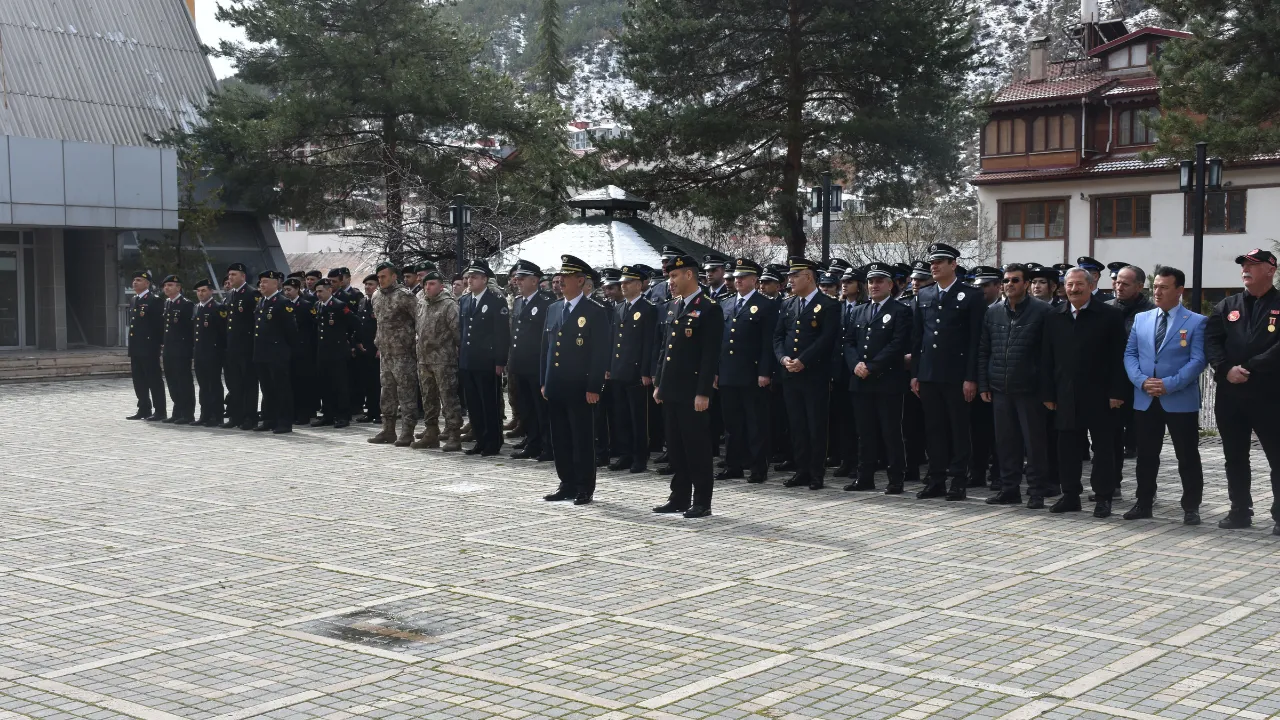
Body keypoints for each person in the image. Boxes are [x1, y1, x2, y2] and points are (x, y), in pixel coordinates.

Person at [1041, 267, 1128, 518]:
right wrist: (1048, 393)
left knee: (1103, 449)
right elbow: (1046, 357)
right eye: (1069, 284)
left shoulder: (1110, 315)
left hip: (1101, 395)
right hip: (1065, 394)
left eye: (1079, 284)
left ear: (1090, 286)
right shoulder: (1054, 316)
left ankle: (1103, 498)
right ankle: (1070, 495)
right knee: (1067, 448)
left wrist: (1117, 392)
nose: (1073, 289)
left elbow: (1119, 357)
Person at [1122, 266, 1206, 524]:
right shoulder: (1142, 319)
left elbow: (1198, 360)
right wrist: (1142, 381)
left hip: (1179, 399)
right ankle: (1144, 502)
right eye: (1155, 287)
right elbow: (1130, 354)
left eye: (1164, 287)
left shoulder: (1196, 321)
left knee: (1187, 455)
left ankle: (1191, 507)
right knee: (1146, 455)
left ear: (1179, 290)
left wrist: (1169, 384)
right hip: (1146, 397)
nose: (1157, 292)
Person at [1205, 248, 1280, 532]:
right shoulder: (1227, 305)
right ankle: (1239, 511)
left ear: (1270, 269)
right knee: (1234, 457)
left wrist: (1248, 367)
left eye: (1252, 265)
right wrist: (1225, 369)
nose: (1245, 270)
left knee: (1277, 456)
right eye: (1243, 265)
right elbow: (1212, 341)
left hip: (1269, 395)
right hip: (1231, 395)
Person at [910, 243, 986, 501]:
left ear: (953, 265)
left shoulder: (971, 295)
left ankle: (958, 480)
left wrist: (971, 377)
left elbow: (975, 340)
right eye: (932, 262)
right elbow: (918, 338)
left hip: (956, 375)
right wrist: (916, 373)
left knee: (959, 429)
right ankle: (936, 479)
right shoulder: (924, 294)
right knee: (934, 429)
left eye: (940, 262)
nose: (934, 266)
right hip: (929, 374)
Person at [651, 253, 724, 517]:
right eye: (669, 276)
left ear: (689, 274)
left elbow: (709, 355)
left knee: (697, 449)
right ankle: (679, 497)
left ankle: (702, 501)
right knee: (676, 448)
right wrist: (659, 383)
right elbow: (665, 350)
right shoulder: (673, 306)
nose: (670, 281)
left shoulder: (709, 308)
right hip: (671, 390)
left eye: (674, 276)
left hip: (693, 391)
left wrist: (703, 392)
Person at [978, 263, 1052, 508]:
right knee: (1006, 443)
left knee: (1034, 444)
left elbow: (1049, 354)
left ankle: (1037, 491)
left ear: (1026, 284)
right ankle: (1009, 489)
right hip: (1000, 388)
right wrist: (984, 384)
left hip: (1029, 390)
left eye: (1015, 280)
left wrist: (1046, 388)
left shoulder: (1042, 311)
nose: (1009, 284)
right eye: (1006, 280)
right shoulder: (993, 312)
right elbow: (984, 350)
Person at [540, 255, 610, 505]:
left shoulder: (594, 311)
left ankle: (584, 486)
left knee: (582, 438)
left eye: (567, 277)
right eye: (560, 277)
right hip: (556, 385)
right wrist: (544, 380)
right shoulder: (553, 308)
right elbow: (546, 349)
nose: (561, 282)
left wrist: (594, 387)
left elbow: (600, 353)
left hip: (580, 387)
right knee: (560, 438)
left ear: (580, 281)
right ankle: (566, 483)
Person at [773, 257, 840, 490]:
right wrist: (783, 358)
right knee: (797, 424)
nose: (790, 280)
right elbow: (778, 336)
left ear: (809, 277)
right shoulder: (788, 304)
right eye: (789, 276)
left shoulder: (828, 304)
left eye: (795, 276)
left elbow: (826, 339)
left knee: (816, 425)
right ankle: (801, 470)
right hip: (790, 374)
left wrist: (804, 360)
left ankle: (816, 473)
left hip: (814, 374)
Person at [846, 262, 912, 493]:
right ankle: (864, 477)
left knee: (890, 432)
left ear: (890, 285)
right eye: (871, 281)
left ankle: (896, 479)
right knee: (865, 433)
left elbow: (897, 344)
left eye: (879, 281)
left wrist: (872, 366)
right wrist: (855, 364)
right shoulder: (858, 311)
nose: (874, 285)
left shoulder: (900, 310)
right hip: (861, 380)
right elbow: (849, 342)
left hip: (887, 380)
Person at [716, 258, 777, 483]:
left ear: (754, 280)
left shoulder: (766, 305)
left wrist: (765, 372)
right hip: (728, 372)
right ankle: (733, 465)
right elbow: (720, 341)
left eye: (743, 277)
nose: (738, 281)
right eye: (736, 277)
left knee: (755, 423)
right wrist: (716, 371)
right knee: (732, 423)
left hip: (752, 373)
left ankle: (758, 467)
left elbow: (767, 342)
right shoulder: (726, 303)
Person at [1106, 264, 1155, 497]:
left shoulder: (1152, 313)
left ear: (1139, 286)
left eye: (1125, 283)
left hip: (1141, 384)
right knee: (1110, 438)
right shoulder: (1106, 309)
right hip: (1113, 384)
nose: (1119, 287)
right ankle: (1111, 484)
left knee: (1144, 441)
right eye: (1117, 282)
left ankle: (1146, 490)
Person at [456, 259, 510, 456]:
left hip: (487, 361)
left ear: (485, 279)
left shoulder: (495, 300)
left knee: (489, 404)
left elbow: (502, 334)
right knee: (474, 404)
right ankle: (480, 440)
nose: (470, 280)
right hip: (468, 361)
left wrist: (500, 361)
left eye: (475, 277)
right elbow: (462, 331)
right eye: (469, 277)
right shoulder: (464, 300)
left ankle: (493, 442)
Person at [609, 265, 658, 472]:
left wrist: (646, 371)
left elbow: (650, 343)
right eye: (622, 282)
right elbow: (613, 340)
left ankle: (640, 457)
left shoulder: (648, 309)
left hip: (636, 372)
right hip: (619, 370)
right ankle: (625, 454)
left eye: (628, 282)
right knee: (621, 416)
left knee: (639, 418)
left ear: (639, 285)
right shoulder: (619, 307)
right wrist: (609, 366)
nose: (623, 286)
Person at [367, 262, 421, 447]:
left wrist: (414, 344)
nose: (380, 280)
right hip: (386, 353)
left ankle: (407, 432)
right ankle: (388, 430)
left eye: (384, 276)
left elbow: (419, 320)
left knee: (406, 393)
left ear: (394, 276)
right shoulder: (376, 296)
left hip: (403, 353)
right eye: (378, 277)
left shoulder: (405, 296)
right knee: (387, 393)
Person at [412, 268, 464, 452]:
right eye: (426, 284)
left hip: (444, 360)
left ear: (441, 287)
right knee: (428, 398)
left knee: (448, 399)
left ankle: (454, 435)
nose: (428, 287)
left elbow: (458, 333)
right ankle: (431, 433)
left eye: (432, 284)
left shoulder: (449, 305)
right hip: (424, 360)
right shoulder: (421, 303)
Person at [507, 260, 554, 460]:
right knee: (526, 408)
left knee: (541, 408)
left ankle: (548, 446)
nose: (517, 281)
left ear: (534, 281)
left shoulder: (546, 303)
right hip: (520, 364)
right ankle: (533, 443)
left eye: (522, 278)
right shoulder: (519, 301)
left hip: (536, 365)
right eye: (517, 278)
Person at [253, 270, 299, 434]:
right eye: (261, 282)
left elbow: (291, 331)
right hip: (262, 353)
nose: (262, 285)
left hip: (277, 353)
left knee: (281, 389)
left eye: (265, 281)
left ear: (275, 283)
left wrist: (287, 352)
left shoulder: (283, 303)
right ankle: (269, 419)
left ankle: (284, 422)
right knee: (267, 389)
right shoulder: (262, 302)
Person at [829, 266, 863, 479]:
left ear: (859, 286)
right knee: (842, 419)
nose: (844, 285)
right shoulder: (837, 307)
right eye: (843, 281)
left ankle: (859, 462)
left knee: (858, 419)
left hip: (857, 369)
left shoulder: (865, 306)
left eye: (849, 282)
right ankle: (846, 460)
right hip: (839, 370)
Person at [312, 278, 357, 429]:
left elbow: (354, 323)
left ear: (329, 290)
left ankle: (343, 415)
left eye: (321, 291)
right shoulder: (317, 306)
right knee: (325, 384)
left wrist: (351, 341)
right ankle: (328, 414)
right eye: (316, 291)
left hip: (337, 351)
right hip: (323, 351)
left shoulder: (339, 305)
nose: (318, 294)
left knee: (340, 384)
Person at [222, 263, 261, 430]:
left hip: (247, 347)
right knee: (235, 384)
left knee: (249, 384)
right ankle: (236, 416)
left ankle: (250, 417)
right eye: (229, 275)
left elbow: (256, 322)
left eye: (234, 274)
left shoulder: (252, 294)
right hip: (232, 347)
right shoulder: (230, 294)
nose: (230, 277)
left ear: (243, 276)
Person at [126, 270, 167, 421]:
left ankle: (160, 410)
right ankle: (144, 408)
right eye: (134, 280)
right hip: (136, 347)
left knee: (154, 379)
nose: (135, 282)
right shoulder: (134, 300)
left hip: (149, 347)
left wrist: (159, 344)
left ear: (147, 283)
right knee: (139, 380)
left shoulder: (154, 300)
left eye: (138, 280)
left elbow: (159, 325)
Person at [160, 275, 196, 424]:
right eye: (165, 285)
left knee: (183, 381)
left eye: (170, 285)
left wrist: (189, 349)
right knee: (172, 381)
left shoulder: (186, 304)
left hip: (181, 350)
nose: (166, 288)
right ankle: (177, 411)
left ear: (178, 287)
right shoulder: (167, 303)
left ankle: (187, 413)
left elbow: (190, 329)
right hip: (169, 349)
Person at [283, 277, 319, 425]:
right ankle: (294, 412)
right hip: (289, 349)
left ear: (297, 289)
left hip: (304, 349)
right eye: (285, 290)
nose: (287, 293)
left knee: (303, 383)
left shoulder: (305, 305)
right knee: (291, 382)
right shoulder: (284, 305)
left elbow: (314, 326)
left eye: (289, 290)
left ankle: (305, 413)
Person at [192, 279, 226, 426]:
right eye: (198, 291)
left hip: (213, 353)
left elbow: (222, 332)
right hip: (199, 352)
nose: (201, 293)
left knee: (214, 384)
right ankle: (205, 414)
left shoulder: (217, 307)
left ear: (211, 291)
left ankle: (216, 415)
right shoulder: (196, 307)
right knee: (203, 385)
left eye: (204, 290)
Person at [354, 274, 381, 423]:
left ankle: (378, 413)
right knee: (367, 382)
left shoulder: (380, 301)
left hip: (376, 347)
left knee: (377, 382)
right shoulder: (362, 302)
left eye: (371, 284)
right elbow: (359, 324)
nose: (367, 287)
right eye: (366, 284)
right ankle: (370, 412)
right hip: (364, 348)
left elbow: (382, 326)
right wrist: (357, 342)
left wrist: (380, 347)